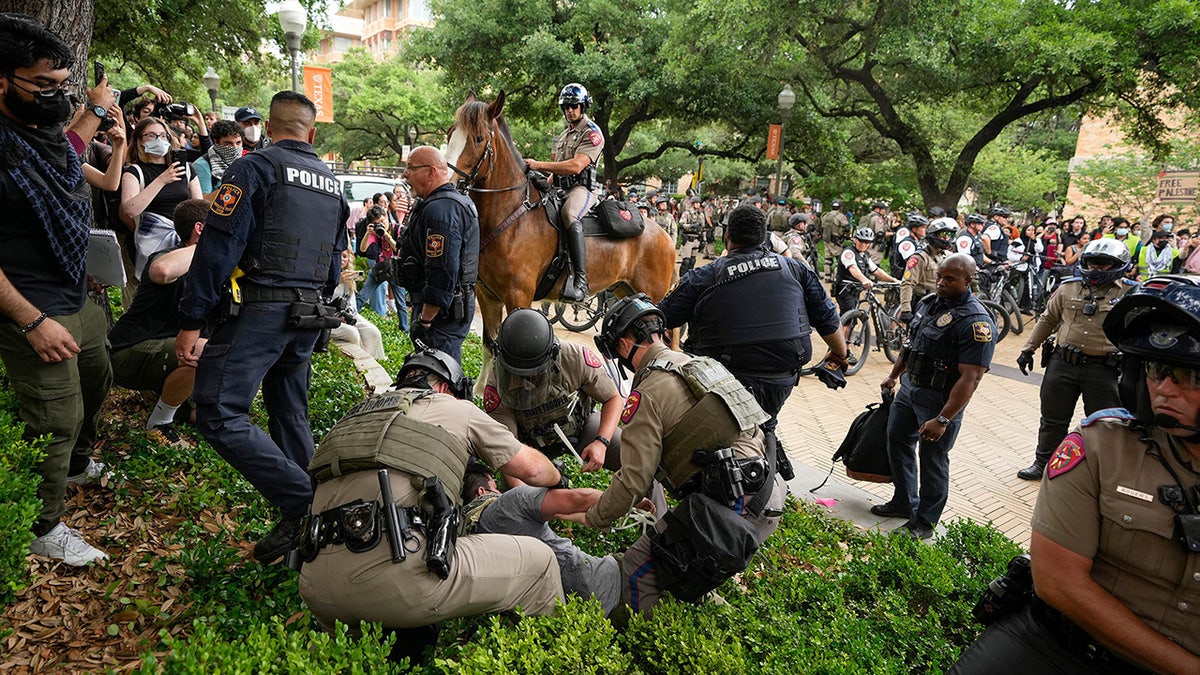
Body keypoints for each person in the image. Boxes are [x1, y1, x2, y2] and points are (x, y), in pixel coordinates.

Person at [949, 275, 1200, 675]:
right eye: (1156, 369)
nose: (1165, 390)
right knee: (1052, 421)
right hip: (1058, 649)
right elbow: (1059, 583)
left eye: (1190, 376)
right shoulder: (1100, 448)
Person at [297, 348, 567, 658]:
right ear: (443, 387)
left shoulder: (354, 415)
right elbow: (533, 469)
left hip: (316, 588)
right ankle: (548, 658)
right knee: (540, 563)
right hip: (393, 578)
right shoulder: (455, 408)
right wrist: (557, 477)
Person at [176, 91, 349, 564]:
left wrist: (192, 319)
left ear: (269, 129)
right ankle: (310, 524)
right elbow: (335, 264)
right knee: (290, 414)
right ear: (312, 134)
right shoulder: (334, 185)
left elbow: (217, 248)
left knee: (216, 412)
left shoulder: (254, 168)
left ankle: (308, 507)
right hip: (308, 317)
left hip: (260, 314)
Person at [566, 295, 786, 616]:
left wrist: (596, 517)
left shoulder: (647, 393)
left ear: (626, 343)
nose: (619, 359)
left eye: (616, 350)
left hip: (735, 507)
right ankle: (712, 611)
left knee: (638, 567)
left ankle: (646, 640)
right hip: (768, 486)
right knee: (682, 563)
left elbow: (634, 479)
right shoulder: (699, 364)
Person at [0, 13, 114, 566]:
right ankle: (42, 525)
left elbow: (69, 148)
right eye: (41, 85)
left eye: (59, 85)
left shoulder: (41, 131)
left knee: (100, 376)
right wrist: (29, 320)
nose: (53, 97)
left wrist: (93, 109)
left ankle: (77, 464)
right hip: (24, 306)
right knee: (56, 416)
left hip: (77, 295)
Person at [659, 204, 847, 438]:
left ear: (727, 236)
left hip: (721, 376)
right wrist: (839, 354)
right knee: (767, 423)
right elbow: (829, 321)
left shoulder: (703, 276)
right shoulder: (797, 270)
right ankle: (766, 439)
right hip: (781, 376)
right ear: (765, 237)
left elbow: (662, 317)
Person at [871, 254, 995, 540]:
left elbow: (971, 378)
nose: (941, 282)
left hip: (940, 400)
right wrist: (893, 375)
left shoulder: (976, 323)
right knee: (897, 441)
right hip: (910, 388)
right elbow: (911, 345)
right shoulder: (928, 303)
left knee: (933, 459)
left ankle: (924, 522)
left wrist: (943, 419)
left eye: (949, 279)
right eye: (939, 276)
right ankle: (904, 502)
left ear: (968, 280)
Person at [1013, 239, 1137, 480]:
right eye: (1091, 263)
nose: (1095, 269)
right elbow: (1048, 320)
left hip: (1105, 369)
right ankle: (1044, 463)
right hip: (1063, 363)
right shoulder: (1069, 287)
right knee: (1052, 419)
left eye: (1103, 264)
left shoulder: (1130, 292)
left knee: (1105, 424)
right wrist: (1028, 350)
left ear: (1119, 265)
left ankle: (1098, 473)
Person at [108, 199, 211, 444]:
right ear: (200, 229)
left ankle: (179, 404)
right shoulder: (167, 256)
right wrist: (212, 244)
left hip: (171, 353)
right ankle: (160, 422)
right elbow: (162, 271)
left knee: (203, 417)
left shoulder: (213, 268)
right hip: (127, 352)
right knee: (206, 350)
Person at [459, 463, 621, 615]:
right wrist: (629, 499)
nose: (499, 490)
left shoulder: (472, 540)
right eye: (494, 485)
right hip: (607, 583)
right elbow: (579, 499)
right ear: (482, 491)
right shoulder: (508, 504)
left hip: (573, 616)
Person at [484, 308, 624, 472]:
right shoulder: (497, 386)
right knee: (516, 490)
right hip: (530, 446)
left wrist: (602, 442)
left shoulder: (575, 357)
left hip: (581, 426)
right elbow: (509, 452)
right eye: (520, 374)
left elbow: (613, 398)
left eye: (537, 372)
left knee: (632, 456)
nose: (529, 380)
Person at [397, 146, 478, 363]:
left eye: (410, 168)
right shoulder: (443, 203)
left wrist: (425, 320)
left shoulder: (442, 210)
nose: (405, 174)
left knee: (437, 375)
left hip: (441, 316)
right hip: (444, 311)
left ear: (431, 172)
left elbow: (442, 271)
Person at [525, 83, 604, 301]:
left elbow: (575, 166)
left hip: (582, 189)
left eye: (574, 105)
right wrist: (543, 183)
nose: (570, 110)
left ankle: (581, 281)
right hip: (561, 187)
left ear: (583, 106)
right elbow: (558, 169)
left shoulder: (593, 133)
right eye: (567, 106)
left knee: (569, 214)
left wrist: (537, 165)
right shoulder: (563, 135)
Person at [120, 116, 202, 279]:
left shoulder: (185, 168)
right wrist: (162, 180)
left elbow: (199, 206)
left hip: (185, 240)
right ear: (140, 140)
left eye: (163, 135)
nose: (159, 139)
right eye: (151, 135)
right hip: (152, 242)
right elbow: (130, 210)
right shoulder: (134, 172)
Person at [834, 227, 900, 327]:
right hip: (845, 290)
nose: (864, 244)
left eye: (867, 242)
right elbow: (853, 268)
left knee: (852, 320)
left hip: (855, 290)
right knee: (849, 320)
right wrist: (864, 279)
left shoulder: (864, 255)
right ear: (855, 240)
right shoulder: (849, 253)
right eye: (861, 241)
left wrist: (893, 280)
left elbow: (876, 271)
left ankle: (845, 341)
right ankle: (843, 342)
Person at [329, 248, 385, 361]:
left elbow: (352, 304)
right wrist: (337, 281)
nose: (342, 259)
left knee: (373, 332)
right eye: (339, 256)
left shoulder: (349, 276)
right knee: (353, 333)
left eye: (345, 256)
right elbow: (323, 299)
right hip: (329, 316)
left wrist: (349, 314)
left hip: (347, 314)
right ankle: (360, 361)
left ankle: (374, 360)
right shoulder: (326, 274)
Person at [898, 217, 956, 321]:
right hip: (923, 305)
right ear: (934, 235)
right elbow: (907, 283)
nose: (947, 238)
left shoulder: (948, 256)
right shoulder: (920, 258)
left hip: (941, 303)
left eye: (950, 235)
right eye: (943, 234)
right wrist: (906, 310)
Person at [193, 119, 243, 196]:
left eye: (238, 143)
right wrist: (232, 187)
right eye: (228, 143)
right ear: (216, 142)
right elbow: (202, 200)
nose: (235, 148)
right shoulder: (202, 166)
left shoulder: (243, 161)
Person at [891, 213, 929, 277]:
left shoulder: (921, 241)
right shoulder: (907, 243)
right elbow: (914, 264)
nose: (926, 230)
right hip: (905, 279)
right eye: (923, 228)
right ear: (914, 229)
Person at [820, 199, 849, 280]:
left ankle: (827, 277)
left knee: (827, 260)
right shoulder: (840, 216)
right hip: (836, 241)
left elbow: (821, 227)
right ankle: (837, 277)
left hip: (827, 240)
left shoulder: (825, 215)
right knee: (839, 259)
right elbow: (847, 227)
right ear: (840, 207)